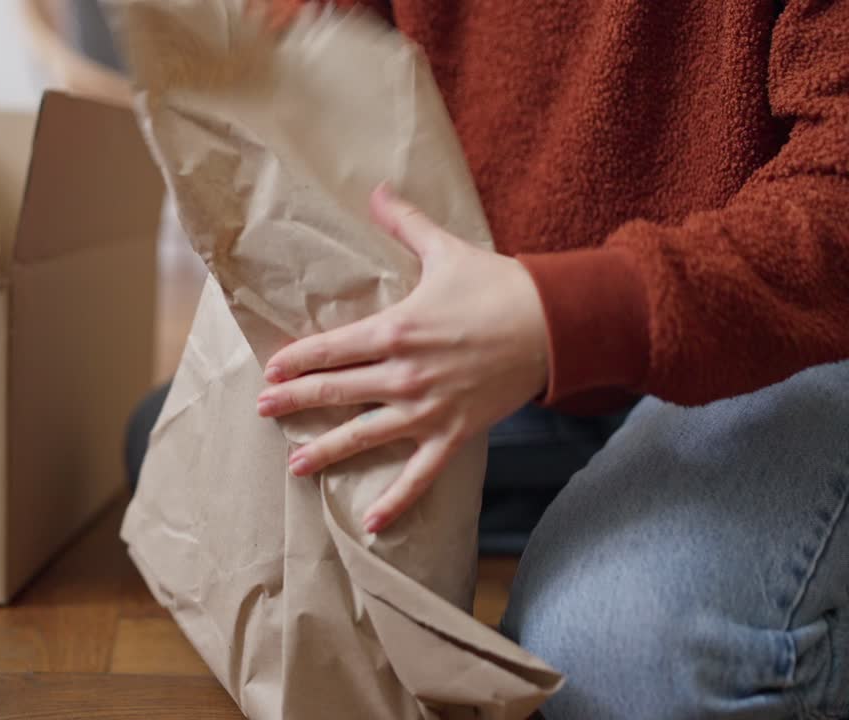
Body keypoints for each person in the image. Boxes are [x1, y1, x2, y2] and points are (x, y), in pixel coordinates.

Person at [133, 1, 849, 718]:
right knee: (192, 455)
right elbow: (340, 62)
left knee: (609, 655)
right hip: (511, 340)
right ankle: (585, 498)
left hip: (786, 331)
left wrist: (558, 318)